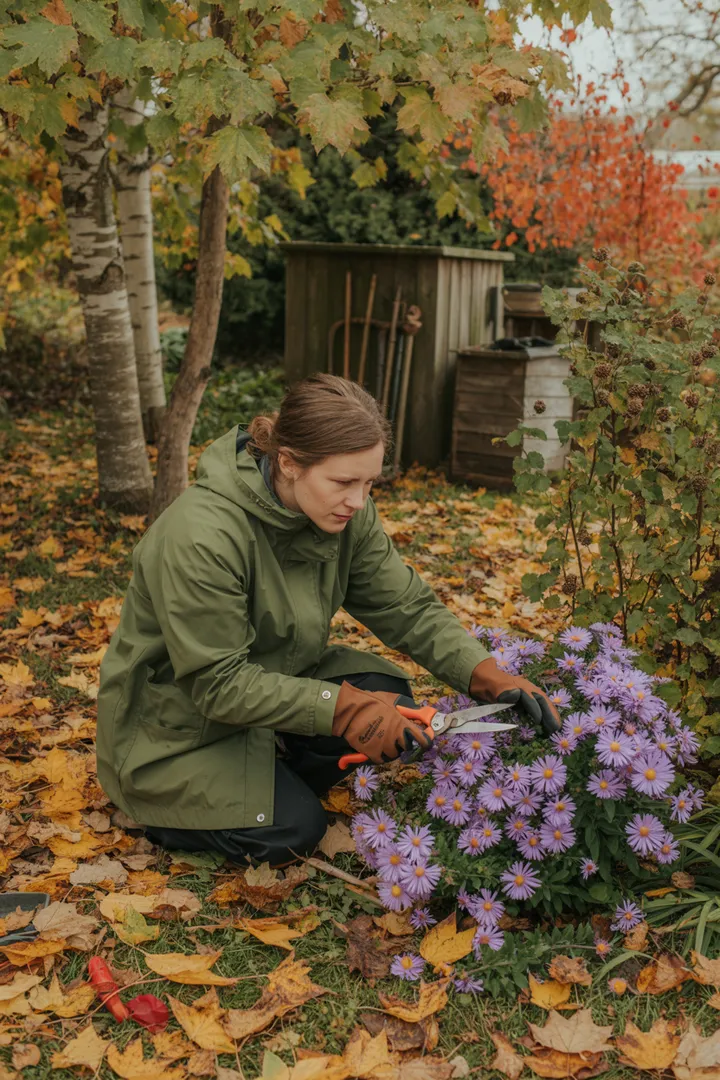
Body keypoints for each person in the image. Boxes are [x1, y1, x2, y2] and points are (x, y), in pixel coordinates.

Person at [97, 374, 560, 867]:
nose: (359, 501)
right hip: (175, 730)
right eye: (343, 482)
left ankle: (264, 771)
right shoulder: (201, 535)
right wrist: (343, 710)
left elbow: (405, 606)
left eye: (369, 483)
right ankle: (171, 807)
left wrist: (481, 672)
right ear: (290, 462)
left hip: (267, 691)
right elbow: (218, 684)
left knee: (388, 693)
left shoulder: (343, 514)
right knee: (294, 832)